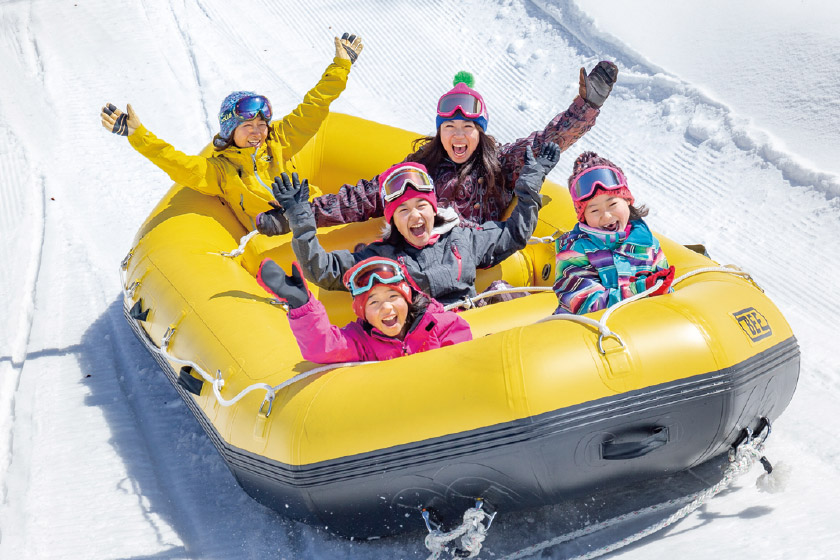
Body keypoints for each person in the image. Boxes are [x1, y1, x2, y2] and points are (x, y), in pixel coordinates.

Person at [256, 62, 618, 236]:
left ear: (481, 132)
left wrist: (587, 105)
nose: (458, 136)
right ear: (439, 132)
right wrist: (294, 216)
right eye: (450, 128)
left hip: (483, 261)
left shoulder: (503, 163)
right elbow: (362, 197)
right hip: (432, 264)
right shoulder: (420, 172)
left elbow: (549, 140)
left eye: (467, 128)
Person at [100, 33, 364, 232]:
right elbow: (176, 162)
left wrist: (340, 67)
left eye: (261, 125)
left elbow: (314, 106)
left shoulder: (280, 141)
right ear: (230, 130)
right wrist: (138, 134)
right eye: (247, 126)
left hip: (319, 212)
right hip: (279, 234)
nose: (257, 133)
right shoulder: (220, 171)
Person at [268, 142, 559, 306]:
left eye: (421, 206)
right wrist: (300, 217)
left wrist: (530, 186)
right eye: (403, 210)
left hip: (477, 323)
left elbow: (515, 234)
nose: (415, 216)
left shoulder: (462, 239)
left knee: (504, 292)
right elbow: (323, 270)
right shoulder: (382, 258)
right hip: (431, 340)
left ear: (433, 209)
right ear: (393, 219)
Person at [256, 257, 472, 363]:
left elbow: (463, 362)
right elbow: (324, 347)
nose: (386, 307)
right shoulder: (362, 341)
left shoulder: (441, 325)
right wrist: (302, 304)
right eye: (373, 303)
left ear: (407, 299)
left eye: (393, 296)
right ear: (363, 313)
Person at [552, 151, 674, 315]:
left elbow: (664, 291)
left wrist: (662, 288)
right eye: (594, 210)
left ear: (627, 201)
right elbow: (587, 305)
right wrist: (642, 289)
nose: (606, 216)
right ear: (583, 217)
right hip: (585, 332)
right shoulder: (574, 251)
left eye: (612, 204)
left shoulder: (647, 243)